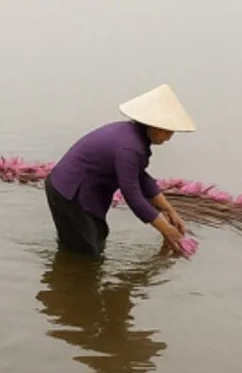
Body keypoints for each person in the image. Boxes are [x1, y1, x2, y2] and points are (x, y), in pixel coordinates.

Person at [46, 84, 195, 259]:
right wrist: (167, 230)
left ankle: (66, 266)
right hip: (69, 193)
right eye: (169, 132)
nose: (169, 138)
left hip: (82, 191)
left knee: (94, 241)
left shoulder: (135, 137)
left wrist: (169, 210)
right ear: (156, 127)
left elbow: (140, 176)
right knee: (86, 256)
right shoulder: (130, 147)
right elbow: (132, 195)